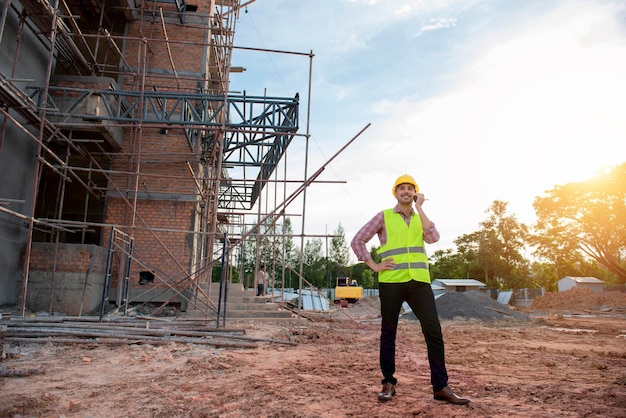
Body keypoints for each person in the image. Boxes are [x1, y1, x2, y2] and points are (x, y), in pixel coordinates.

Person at [351, 174, 470, 405]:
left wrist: (420, 208)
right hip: (391, 281)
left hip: (419, 282)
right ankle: (388, 383)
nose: (405, 191)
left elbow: (434, 237)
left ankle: (441, 387)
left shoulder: (420, 218)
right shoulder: (383, 216)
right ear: (395, 193)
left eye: (410, 188)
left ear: (415, 193)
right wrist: (374, 265)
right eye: (401, 188)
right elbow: (358, 240)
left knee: (433, 331)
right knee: (388, 333)